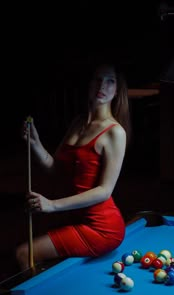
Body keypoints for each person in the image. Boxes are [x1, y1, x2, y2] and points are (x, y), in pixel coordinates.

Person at [16, 61, 131, 271]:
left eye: (110, 81)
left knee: (24, 253)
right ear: (88, 84)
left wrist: (52, 205)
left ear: (117, 90)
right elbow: (54, 169)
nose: (102, 86)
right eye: (97, 79)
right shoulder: (78, 123)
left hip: (102, 227)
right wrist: (35, 143)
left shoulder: (115, 132)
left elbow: (105, 191)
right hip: (75, 218)